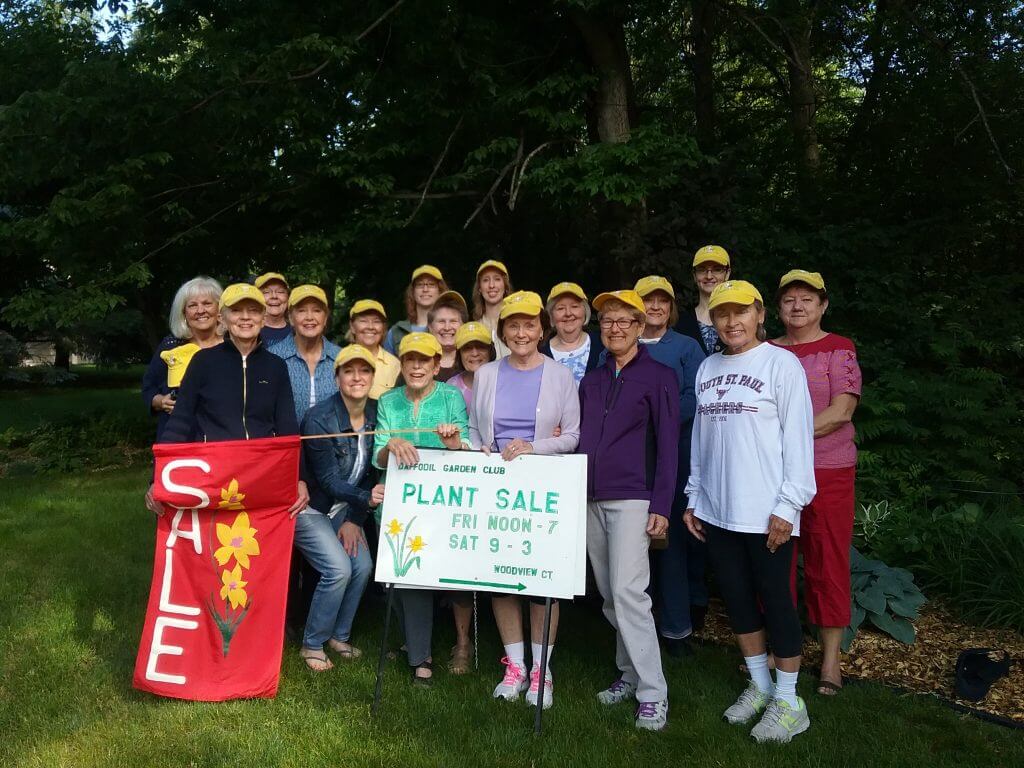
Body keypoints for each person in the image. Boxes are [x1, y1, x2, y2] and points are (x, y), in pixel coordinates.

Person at [683, 280, 816, 744]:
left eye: (741, 312)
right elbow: (702, 437)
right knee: (737, 600)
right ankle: (760, 687)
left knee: (776, 601)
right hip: (719, 509)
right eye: (722, 314)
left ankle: (789, 700)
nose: (731, 321)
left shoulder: (782, 364)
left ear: (760, 315)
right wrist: (694, 494)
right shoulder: (708, 368)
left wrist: (788, 504)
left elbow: (798, 440)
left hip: (767, 512)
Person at [469, 291, 580, 710]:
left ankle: (541, 671)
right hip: (495, 488)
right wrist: (478, 448)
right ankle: (514, 665)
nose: (521, 332)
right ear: (503, 331)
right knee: (501, 576)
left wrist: (535, 447)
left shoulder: (560, 376)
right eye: (513, 325)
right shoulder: (486, 375)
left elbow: (572, 435)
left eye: (529, 324)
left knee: (539, 580)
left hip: (541, 488)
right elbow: (479, 434)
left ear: (541, 328)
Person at [578, 289, 679, 732]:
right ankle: (629, 673)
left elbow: (670, 447)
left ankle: (653, 693)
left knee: (630, 594)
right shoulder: (593, 378)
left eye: (624, 321)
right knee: (610, 594)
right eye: (607, 321)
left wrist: (662, 505)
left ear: (640, 327)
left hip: (635, 497)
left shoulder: (658, 376)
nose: (615, 328)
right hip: (590, 498)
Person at [772, 269, 861, 696]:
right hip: (773, 473)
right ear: (778, 307)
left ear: (823, 305)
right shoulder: (768, 351)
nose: (798, 306)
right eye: (789, 299)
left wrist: (783, 433)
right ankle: (781, 648)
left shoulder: (838, 348)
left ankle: (830, 660)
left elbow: (841, 412)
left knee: (827, 561)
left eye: (807, 298)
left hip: (828, 471)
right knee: (776, 562)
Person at [146, 283, 308, 516]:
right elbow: (179, 422)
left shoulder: (276, 366)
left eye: (253, 311)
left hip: (262, 472)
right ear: (223, 318)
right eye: (236, 311)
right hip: (213, 473)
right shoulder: (202, 362)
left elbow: (287, 427)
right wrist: (157, 477)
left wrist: (299, 478)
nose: (245, 318)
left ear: (263, 318)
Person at [373, 332, 468, 685]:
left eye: (424, 361)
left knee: (412, 577)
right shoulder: (388, 400)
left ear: (436, 364)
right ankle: (413, 641)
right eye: (410, 360)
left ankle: (421, 658)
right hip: (397, 502)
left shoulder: (450, 397)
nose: (416, 367)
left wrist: (454, 442)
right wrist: (392, 444)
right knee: (394, 582)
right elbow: (378, 455)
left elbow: (467, 445)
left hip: (442, 504)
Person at [295, 344, 386, 671]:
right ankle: (312, 644)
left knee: (362, 566)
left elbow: (373, 470)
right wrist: (364, 501)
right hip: (311, 508)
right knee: (338, 569)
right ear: (337, 377)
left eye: (364, 371)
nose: (357, 377)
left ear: (373, 376)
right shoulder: (320, 418)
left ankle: (339, 635)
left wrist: (355, 518)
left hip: (344, 509)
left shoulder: (379, 412)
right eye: (349, 371)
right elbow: (329, 480)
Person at [632, 275, 706, 653]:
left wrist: (662, 418)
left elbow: (697, 395)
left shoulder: (686, 347)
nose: (655, 306)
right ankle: (636, 628)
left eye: (663, 300)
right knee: (634, 544)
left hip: (674, 454)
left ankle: (676, 629)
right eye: (648, 300)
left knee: (670, 542)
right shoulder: (622, 343)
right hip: (630, 459)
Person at [141, 276, 223, 442]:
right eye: (192, 305)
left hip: (222, 436)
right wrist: (160, 401)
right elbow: (148, 387)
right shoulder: (170, 346)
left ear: (220, 310)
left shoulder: (232, 347)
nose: (200, 310)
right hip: (178, 435)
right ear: (184, 313)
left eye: (207, 303)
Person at [269, 285, 340, 425]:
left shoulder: (341, 358)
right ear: (290, 317)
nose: (309, 317)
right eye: (301, 311)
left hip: (332, 445)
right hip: (287, 443)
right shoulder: (272, 357)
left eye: (317, 311)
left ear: (325, 317)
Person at [538, 282, 604, 385]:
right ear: (551, 315)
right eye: (560, 308)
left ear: (585, 311)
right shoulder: (540, 352)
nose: (568, 313)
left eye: (574, 306)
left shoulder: (603, 343)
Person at [675, 245, 731, 355]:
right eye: (702, 270)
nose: (709, 276)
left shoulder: (738, 321)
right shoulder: (680, 322)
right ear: (694, 275)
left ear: (727, 273)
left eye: (717, 269)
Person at [383, 265, 447, 354]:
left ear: (440, 290)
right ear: (412, 292)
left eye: (431, 285)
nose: (425, 289)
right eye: (420, 285)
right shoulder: (395, 332)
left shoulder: (449, 329)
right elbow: (387, 365)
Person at [346, 299, 401, 400]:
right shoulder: (339, 360)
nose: (370, 327)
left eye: (376, 321)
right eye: (363, 321)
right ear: (352, 327)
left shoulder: (395, 365)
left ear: (383, 328)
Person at [448, 322, 495, 413]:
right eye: (467, 348)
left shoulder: (502, 381)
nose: (474, 353)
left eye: (480, 347)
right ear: (459, 354)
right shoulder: (451, 387)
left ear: (490, 351)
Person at [472, 259, 512, 358]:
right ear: (479, 288)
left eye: (497, 279)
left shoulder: (516, 324)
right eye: (485, 280)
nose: (491, 285)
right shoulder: (474, 328)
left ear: (505, 286)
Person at [427, 290, 468, 382]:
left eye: (453, 321)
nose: (447, 327)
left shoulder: (473, 361)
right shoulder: (419, 362)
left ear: (464, 326)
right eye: (441, 321)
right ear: (430, 327)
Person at [255, 272, 292, 346]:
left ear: (288, 298)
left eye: (280, 292)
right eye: (266, 292)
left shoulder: (299, 332)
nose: (274, 296)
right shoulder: (247, 331)